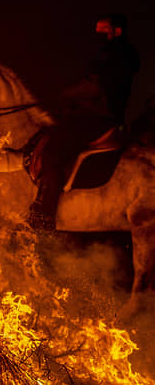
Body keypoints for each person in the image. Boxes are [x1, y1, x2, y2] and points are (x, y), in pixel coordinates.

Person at [28, 14, 140, 230]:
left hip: (98, 116)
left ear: (116, 31)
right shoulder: (117, 53)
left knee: (53, 151)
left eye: (103, 30)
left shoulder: (113, 54)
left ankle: (45, 214)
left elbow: (94, 87)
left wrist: (63, 95)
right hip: (99, 112)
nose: (98, 35)